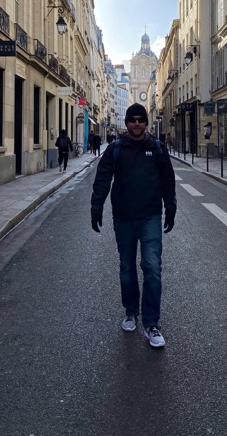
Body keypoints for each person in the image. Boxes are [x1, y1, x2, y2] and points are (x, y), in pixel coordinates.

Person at [91, 103, 176, 348]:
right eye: (132, 120)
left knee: (152, 267)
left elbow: (167, 180)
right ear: (127, 123)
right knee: (127, 266)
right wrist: (96, 207)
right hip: (124, 218)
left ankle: (152, 324)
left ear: (146, 123)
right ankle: (130, 312)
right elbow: (102, 179)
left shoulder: (158, 149)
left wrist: (170, 208)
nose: (136, 123)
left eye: (140, 120)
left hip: (150, 216)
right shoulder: (116, 149)